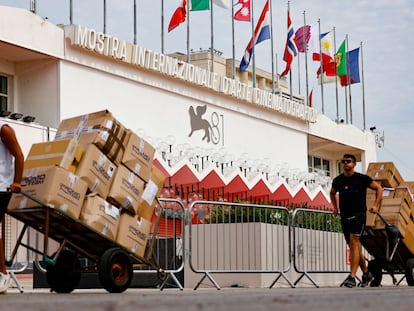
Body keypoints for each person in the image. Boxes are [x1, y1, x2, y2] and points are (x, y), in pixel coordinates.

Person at [330, 154, 382, 288]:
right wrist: (335, 208)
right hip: (344, 216)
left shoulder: (362, 179)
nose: (345, 164)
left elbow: (379, 188)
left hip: (358, 215)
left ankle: (352, 277)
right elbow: (332, 192)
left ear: (354, 164)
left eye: (348, 161)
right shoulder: (338, 180)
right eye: (343, 162)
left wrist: (376, 205)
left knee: (354, 242)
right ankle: (366, 274)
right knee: (354, 248)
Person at [0, 121, 24, 294]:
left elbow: (19, 155)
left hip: (2, 188)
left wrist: (17, 181)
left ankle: (2, 274)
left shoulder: (4, 129)